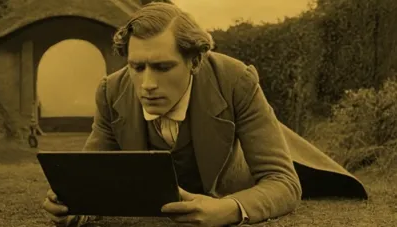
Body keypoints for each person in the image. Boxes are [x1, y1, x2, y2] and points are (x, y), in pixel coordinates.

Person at [42, 2, 368, 227]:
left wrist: (228, 209)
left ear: (195, 62)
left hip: (235, 185)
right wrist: (72, 205)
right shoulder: (110, 90)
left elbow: (283, 182)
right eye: (137, 67)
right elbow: (90, 177)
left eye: (163, 67)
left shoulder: (236, 81)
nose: (147, 84)